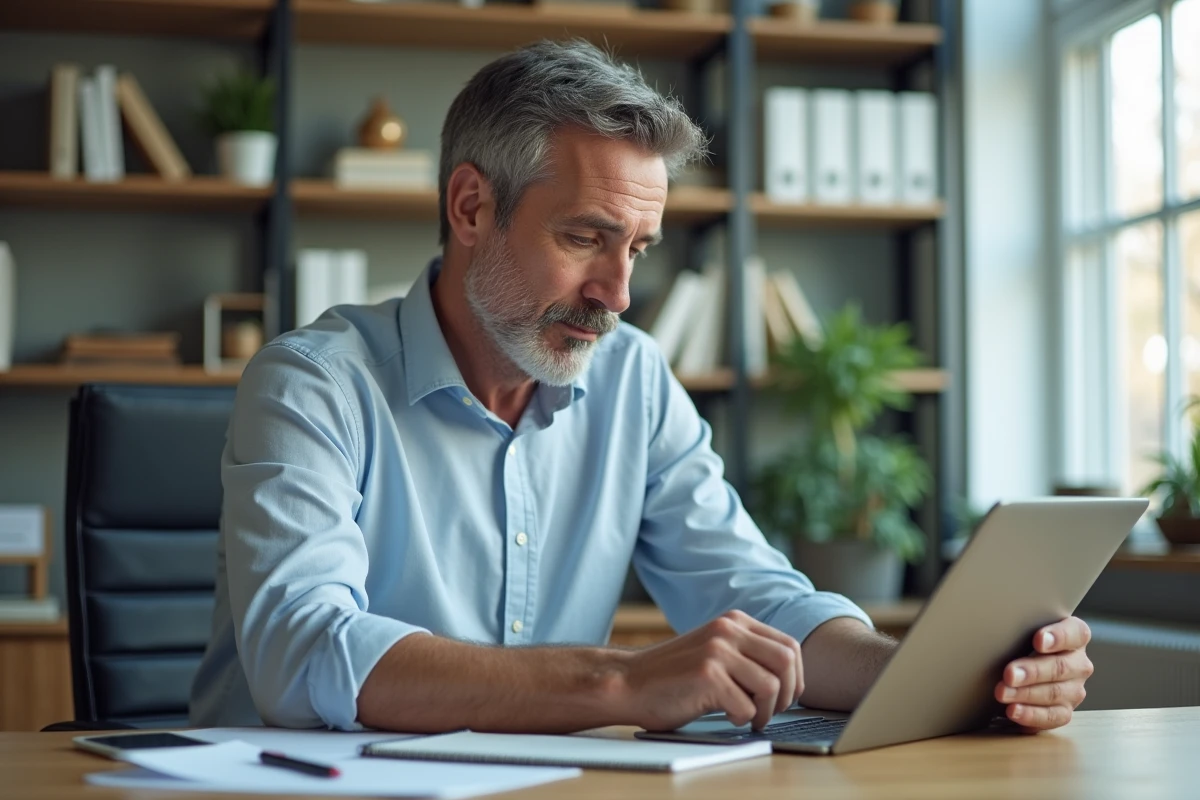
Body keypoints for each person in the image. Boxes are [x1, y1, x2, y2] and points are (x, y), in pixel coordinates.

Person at [190, 40, 1093, 735]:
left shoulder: (633, 378)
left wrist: (943, 679)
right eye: (586, 238)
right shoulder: (312, 385)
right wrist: (620, 681)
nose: (618, 295)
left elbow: (757, 597)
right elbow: (303, 652)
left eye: (638, 249)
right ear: (471, 208)